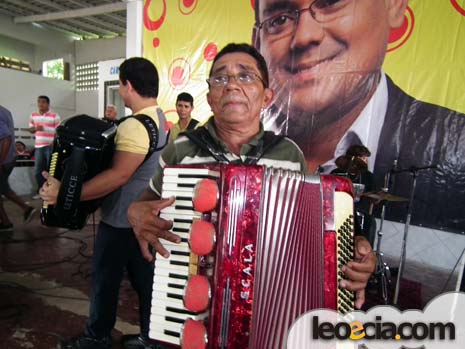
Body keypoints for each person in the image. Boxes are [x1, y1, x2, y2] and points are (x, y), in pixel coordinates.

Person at [127, 43, 376, 310]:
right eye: (220, 78)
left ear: (266, 97)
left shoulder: (289, 155)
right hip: (194, 291)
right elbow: (147, 201)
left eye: (245, 76)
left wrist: (357, 248)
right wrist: (135, 212)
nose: (232, 85)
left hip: (269, 297)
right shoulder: (181, 149)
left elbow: (314, 224)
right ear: (210, 97)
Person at [253, 0, 465, 230]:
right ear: (257, 43)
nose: (305, 35)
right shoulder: (244, 149)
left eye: (330, 3)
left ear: (393, 5)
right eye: (280, 19)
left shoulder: (456, 142)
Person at [40, 57, 169, 349]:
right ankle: (152, 338)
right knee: (146, 282)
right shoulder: (161, 120)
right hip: (140, 217)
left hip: (121, 220)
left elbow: (118, 176)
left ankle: (97, 338)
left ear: (128, 85)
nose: (121, 92)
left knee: (105, 281)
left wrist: (65, 193)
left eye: (121, 86)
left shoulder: (136, 126)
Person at [0, 105, 37, 232]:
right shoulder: (5, 110)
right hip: (9, 158)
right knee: (2, 188)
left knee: (4, 188)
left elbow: (6, 138)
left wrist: (0, 162)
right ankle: (5, 222)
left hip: (4, 160)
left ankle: (26, 209)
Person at [27, 95, 60, 199]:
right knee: (38, 170)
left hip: (51, 146)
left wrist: (54, 142)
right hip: (39, 147)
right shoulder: (33, 115)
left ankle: (52, 191)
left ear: (48, 104)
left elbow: (59, 131)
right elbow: (31, 130)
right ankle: (40, 191)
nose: (40, 104)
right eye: (39, 102)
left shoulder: (55, 116)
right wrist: (36, 128)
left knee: (51, 170)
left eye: (43, 102)